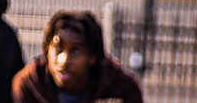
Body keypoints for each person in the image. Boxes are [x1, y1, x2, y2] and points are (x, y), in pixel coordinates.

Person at [12, 10, 143, 103]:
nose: (63, 61)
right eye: (58, 49)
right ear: (47, 50)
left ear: (92, 57)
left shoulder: (119, 87)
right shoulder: (29, 84)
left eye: (76, 52)